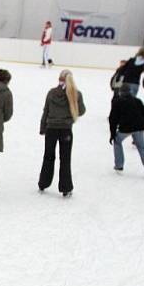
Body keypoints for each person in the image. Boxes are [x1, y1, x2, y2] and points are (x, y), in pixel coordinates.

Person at [38, 69, 85, 197]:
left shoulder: (52, 93)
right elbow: (81, 110)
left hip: (51, 129)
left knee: (48, 156)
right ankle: (66, 187)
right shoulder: (75, 94)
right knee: (65, 158)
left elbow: (46, 111)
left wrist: (43, 127)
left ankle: (43, 182)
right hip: (66, 130)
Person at [108, 83, 144, 177]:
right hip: (139, 128)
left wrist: (112, 134)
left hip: (126, 128)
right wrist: (143, 126)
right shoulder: (137, 101)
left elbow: (112, 119)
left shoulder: (117, 102)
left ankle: (119, 165)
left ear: (121, 93)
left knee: (117, 141)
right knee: (142, 148)